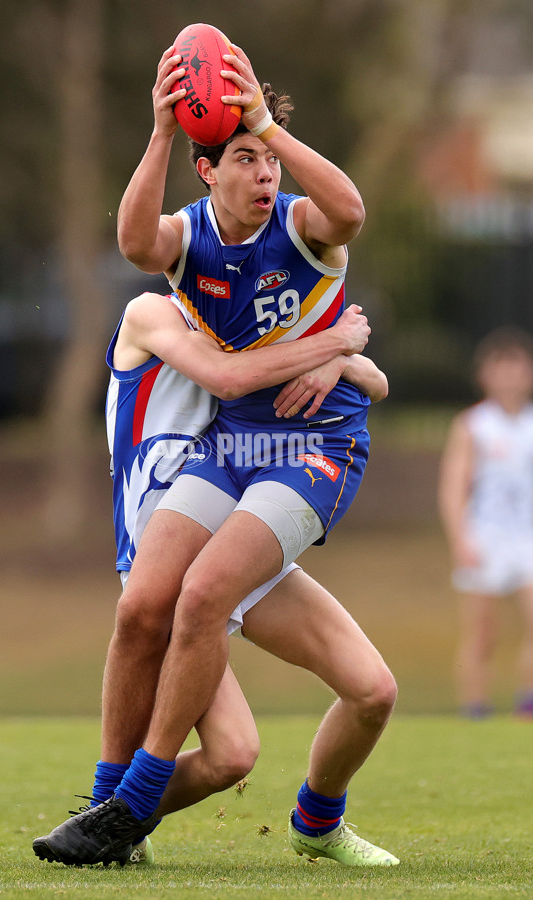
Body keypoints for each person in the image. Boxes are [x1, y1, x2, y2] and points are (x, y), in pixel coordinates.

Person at [33, 39, 399, 867]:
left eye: (270, 156)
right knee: (146, 606)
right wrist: (159, 131)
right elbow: (133, 246)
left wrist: (344, 356)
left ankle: (126, 809)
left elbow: (350, 212)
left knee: (203, 599)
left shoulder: (304, 228)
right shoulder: (182, 253)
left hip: (311, 450)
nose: (266, 173)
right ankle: (112, 802)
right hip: (233, 443)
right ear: (208, 171)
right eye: (246, 158)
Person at [438, 326, 533, 719]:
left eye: (517, 368)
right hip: (485, 537)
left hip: (526, 537)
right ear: (485, 375)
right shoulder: (473, 425)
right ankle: (475, 708)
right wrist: (460, 538)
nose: (509, 377)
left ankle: (526, 703)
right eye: (501, 368)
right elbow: (453, 487)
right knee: (482, 631)